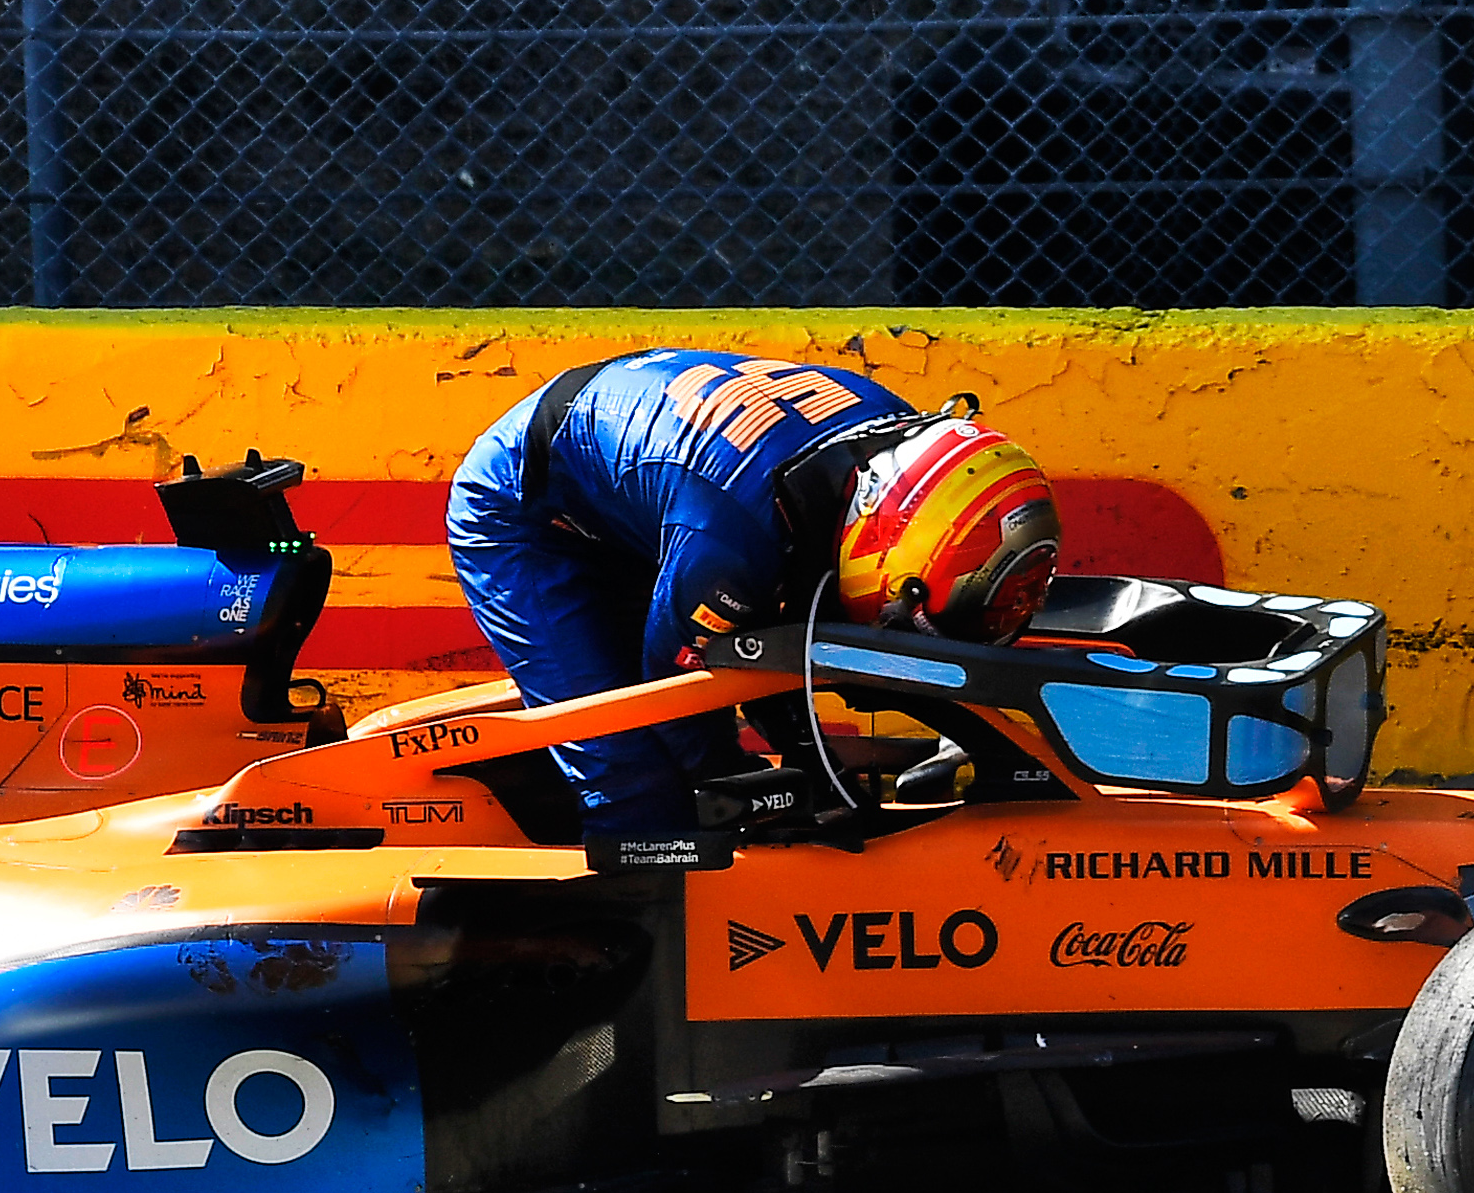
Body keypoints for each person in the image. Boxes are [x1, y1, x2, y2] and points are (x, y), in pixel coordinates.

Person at [442, 351, 1061, 837]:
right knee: (631, 764)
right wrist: (760, 796)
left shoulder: (905, 452)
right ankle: (643, 961)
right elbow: (678, 692)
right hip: (524, 510)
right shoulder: (730, 546)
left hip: (656, 477)